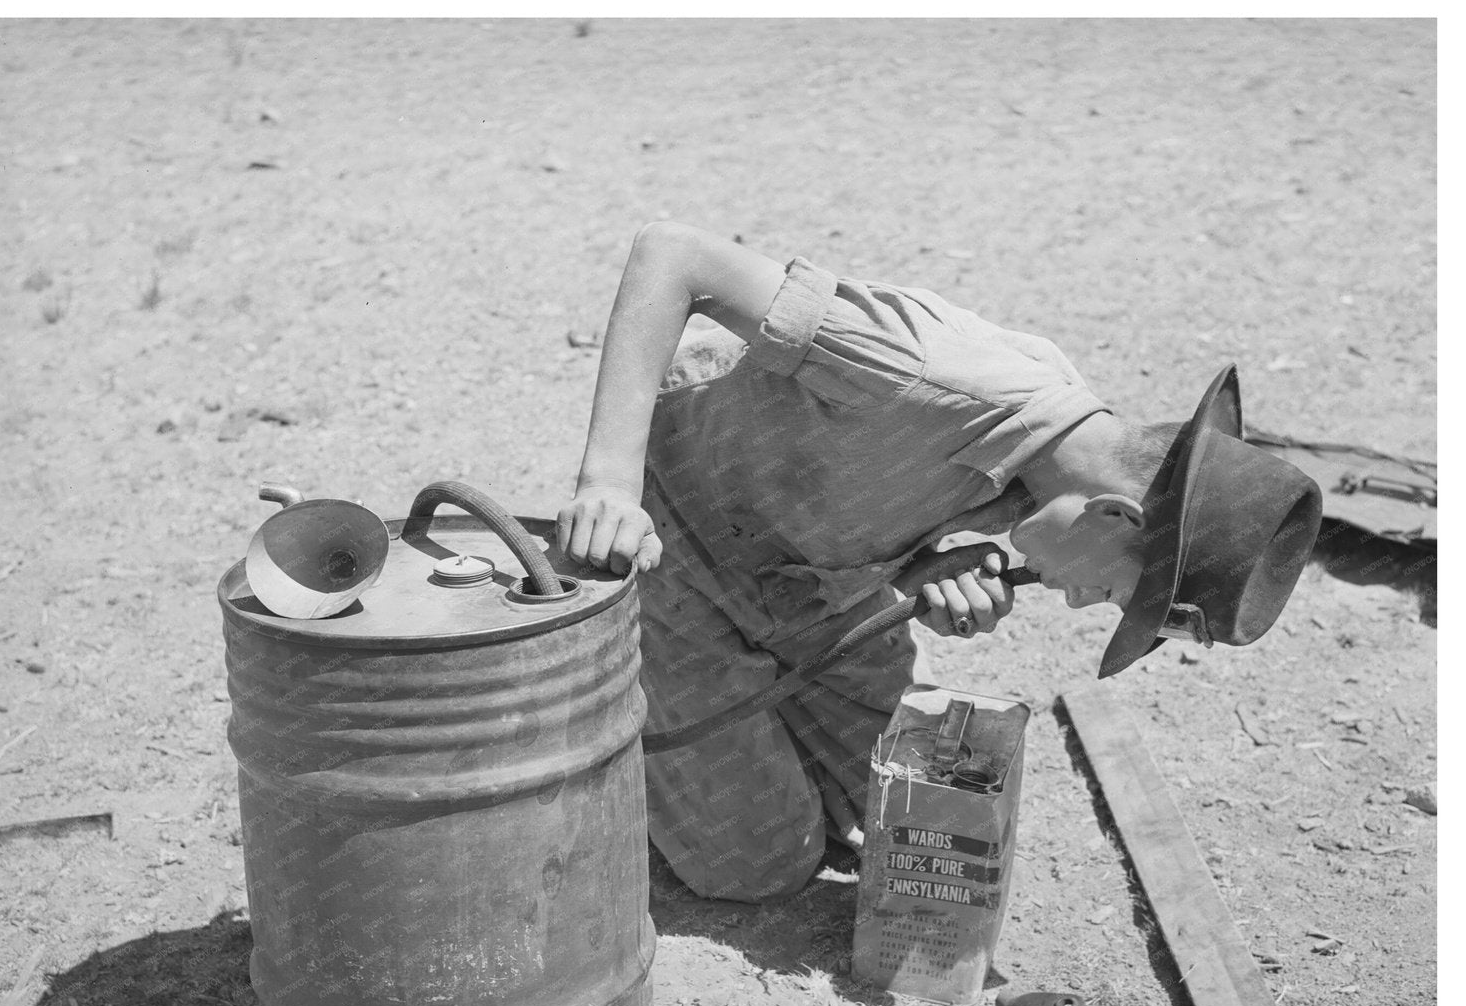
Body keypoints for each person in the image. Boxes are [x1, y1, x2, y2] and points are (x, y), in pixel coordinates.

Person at [556, 221, 1321, 903]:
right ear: (1113, 515)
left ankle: (751, 722)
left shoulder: (1056, 470)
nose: (1083, 603)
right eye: (1112, 589)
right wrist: (609, 486)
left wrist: (922, 565)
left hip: (810, 586)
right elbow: (676, 256)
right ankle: (611, 698)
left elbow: (880, 502)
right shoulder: (928, 371)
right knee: (762, 865)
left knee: (911, 820)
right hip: (676, 550)